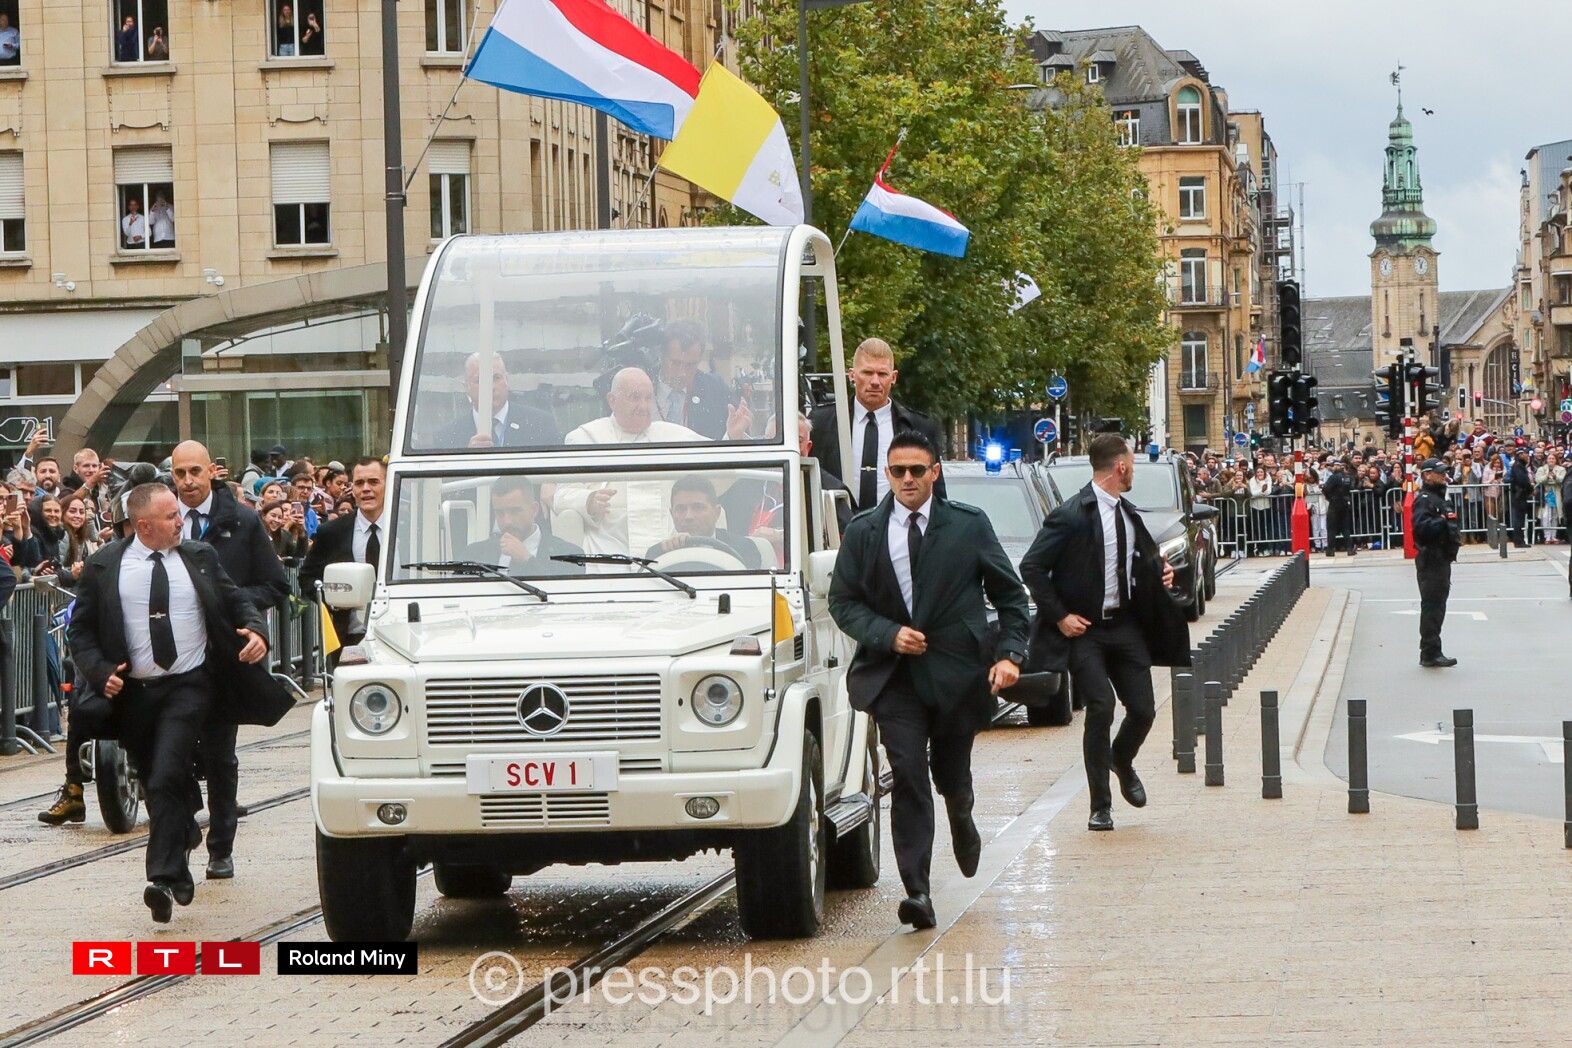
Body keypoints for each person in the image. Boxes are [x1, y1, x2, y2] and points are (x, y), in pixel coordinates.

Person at [827, 431, 1029, 929]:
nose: (908, 480)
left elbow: (1010, 596)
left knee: (951, 773)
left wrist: (1009, 655)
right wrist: (888, 634)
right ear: (888, 475)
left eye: (917, 470)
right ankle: (917, 890)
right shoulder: (865, 531)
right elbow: (843, 602)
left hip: (958, 675)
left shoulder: (967, 525)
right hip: (894, 679)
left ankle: (961, 810)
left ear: (934, 473)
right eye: (898, 471)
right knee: (908, 773)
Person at [66, 484, 291, 921]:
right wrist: (99, 670)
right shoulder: (105, 565)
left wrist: (256, 630)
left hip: (190, 686)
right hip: (135, 694)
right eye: (170, 516)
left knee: (168, 772)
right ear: (143, 525)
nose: (180, 522)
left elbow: (235, 599)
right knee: (158, 782)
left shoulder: (199, 556)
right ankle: (184, 835)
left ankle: (162, 879)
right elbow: (81, 631)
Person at [1019, 433, 1187, 833]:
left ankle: (1121, 759)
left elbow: (1139, 561)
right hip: (1086, 631)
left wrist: (1160, 572)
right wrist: (1061, 616)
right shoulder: (1071, 514)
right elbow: (1032, 567)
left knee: (1143, 710)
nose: (1133, 473)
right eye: (1132, 464)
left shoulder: (1128, 514)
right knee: (1101, 707)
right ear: (1121, 467)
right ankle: (1100, 806)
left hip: (1125, 626)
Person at [169, 440, 289, 880]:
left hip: (224, 659)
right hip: (173, 661)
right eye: (180, 473)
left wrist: (233, 608)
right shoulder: (162, 520)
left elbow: (275, 584)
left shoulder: (242, 520)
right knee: (172, 755)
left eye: (195, 472)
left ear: (212, 472)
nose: (188, 482)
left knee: (220, 756)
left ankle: (221, 846)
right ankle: (183, 833)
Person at [808, 338, 945, 511]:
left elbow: (937, 495)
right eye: (867, 373)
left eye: (882, 374)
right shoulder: (821, 423)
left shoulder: (920, 427)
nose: (874, 381)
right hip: (836, 524)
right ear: (852, 375)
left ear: (893, 377)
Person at [299, 457, 387, 648]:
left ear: (389, 485)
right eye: (359, 483)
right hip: (348, 637)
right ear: (352, 489)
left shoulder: (408, 529)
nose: (366, 489)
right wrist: (332, 598)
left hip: (398, 631)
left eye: (373, 482)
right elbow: (307, 577)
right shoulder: (332, 532)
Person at [564, 366, 748, 445]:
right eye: (635, 397)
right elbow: (563, 493)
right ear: (612, 400)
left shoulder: (672, 434)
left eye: (648, 398)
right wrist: (589, 501)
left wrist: (733, 436)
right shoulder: (586, 438)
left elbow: (714, 474)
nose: (644, 406)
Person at [458, 476, 586, 575]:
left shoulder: (569, 556)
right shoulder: (473, 554)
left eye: (515, 511)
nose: (507, 521)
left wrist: (527, 560)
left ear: (534, 510)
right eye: (500, 513)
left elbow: (558, 597)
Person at [434, 353, 561, 450]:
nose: (490, 387)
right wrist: (467, 458)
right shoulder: (447, 437)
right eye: (480, 380)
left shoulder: (541, 424)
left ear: (507, 380)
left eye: (496, 378)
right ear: (466, 387)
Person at [644, 475, 762, 569]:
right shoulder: (657, 553)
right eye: (680, 509)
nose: (688, 516)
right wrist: (672, 554)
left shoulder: (743, 548)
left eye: (698, 507)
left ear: (717, 512)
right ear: (672, 514)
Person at [1411, 459, 1461, 668]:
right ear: (1427, 475)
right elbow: (1421, 528)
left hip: (1442, 558)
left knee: (1438, 606)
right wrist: (1442, 520)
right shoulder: (1424, 500)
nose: (1444, 476)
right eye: (1439, 473)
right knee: (1432, 606)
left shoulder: (1439, 498)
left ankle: (1432, 650)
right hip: (1431, 558)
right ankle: (1430, 652)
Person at [653, 319, 738, 440]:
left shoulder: (715, 391)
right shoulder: (640, 385)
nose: (682, 373)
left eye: (690, 365)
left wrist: (734, 434)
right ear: (661, 356)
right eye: (676, 363)